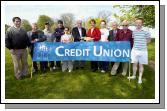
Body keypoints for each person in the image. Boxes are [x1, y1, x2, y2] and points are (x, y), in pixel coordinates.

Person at [128, 18, 151, 84]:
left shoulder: (146, 31)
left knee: (141, 65)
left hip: (143, 51)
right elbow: (134, 40)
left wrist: (143, 44)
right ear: (135, 23)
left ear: (142, 23)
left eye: (139, 23)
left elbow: (149, 40)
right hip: (135, 50)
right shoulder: (134, 31)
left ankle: (140, 78)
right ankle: (134, 76)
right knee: (134, 64)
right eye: (137, 23)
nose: (138, 24)